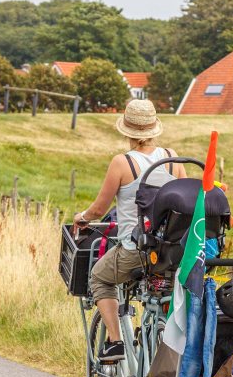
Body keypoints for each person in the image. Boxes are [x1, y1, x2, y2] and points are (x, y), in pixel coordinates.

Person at [73, 99, 187, 363]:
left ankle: (115, 343)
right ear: (154, 129)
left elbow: (99, 210)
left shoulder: (122, 163)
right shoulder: (173, 159)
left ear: (126, 131)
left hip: (137, 251)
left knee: (100, 278)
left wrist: (82, 217)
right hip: (173, 252)